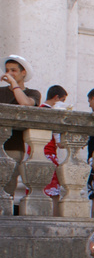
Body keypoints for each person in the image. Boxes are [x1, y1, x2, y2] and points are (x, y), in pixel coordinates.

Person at [1, 55, 40, 196]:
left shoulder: (32, 93)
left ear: (23, 73)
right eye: (7, 70)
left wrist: (14, 85)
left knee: (9, 186)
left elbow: (26, 104)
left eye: (13, 70)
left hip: (13, 146)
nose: (9, 73)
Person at [39, 85, 69, 205]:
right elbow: (60, 143)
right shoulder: (53, 113)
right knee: (53, 193)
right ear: (56, 98)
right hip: (49, 153)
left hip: (34, 153)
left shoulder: (38, 110)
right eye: (62, 101)